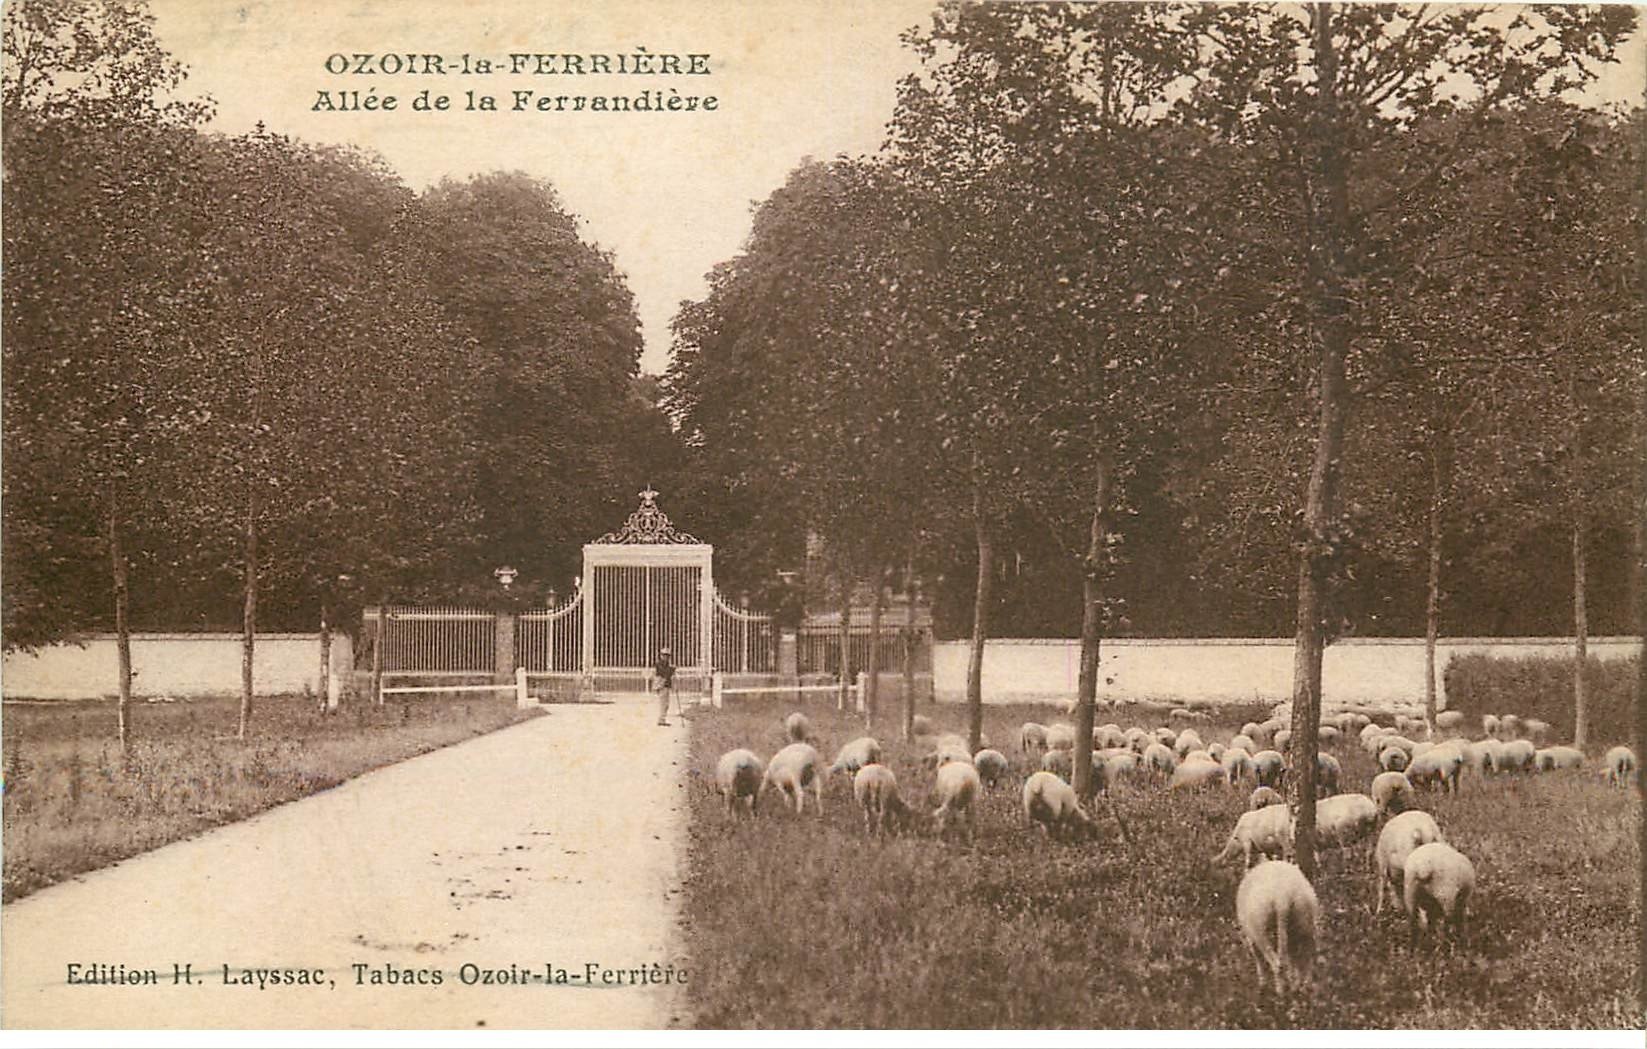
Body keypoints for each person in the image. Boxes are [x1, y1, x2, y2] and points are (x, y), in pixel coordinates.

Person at [654, 647, 676, 726]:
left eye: (667, 655)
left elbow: (668, 674)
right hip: (662, 685)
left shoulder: (667, 664)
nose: (666, 657)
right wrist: (672, 669)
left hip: (666, 685)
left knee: (666, 704)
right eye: (664, 655)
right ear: (661, 655)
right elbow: (664, 673)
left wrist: (671, 669)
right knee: (664, 703)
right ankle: (661, 720)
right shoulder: (659, 664)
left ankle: (662, 719)